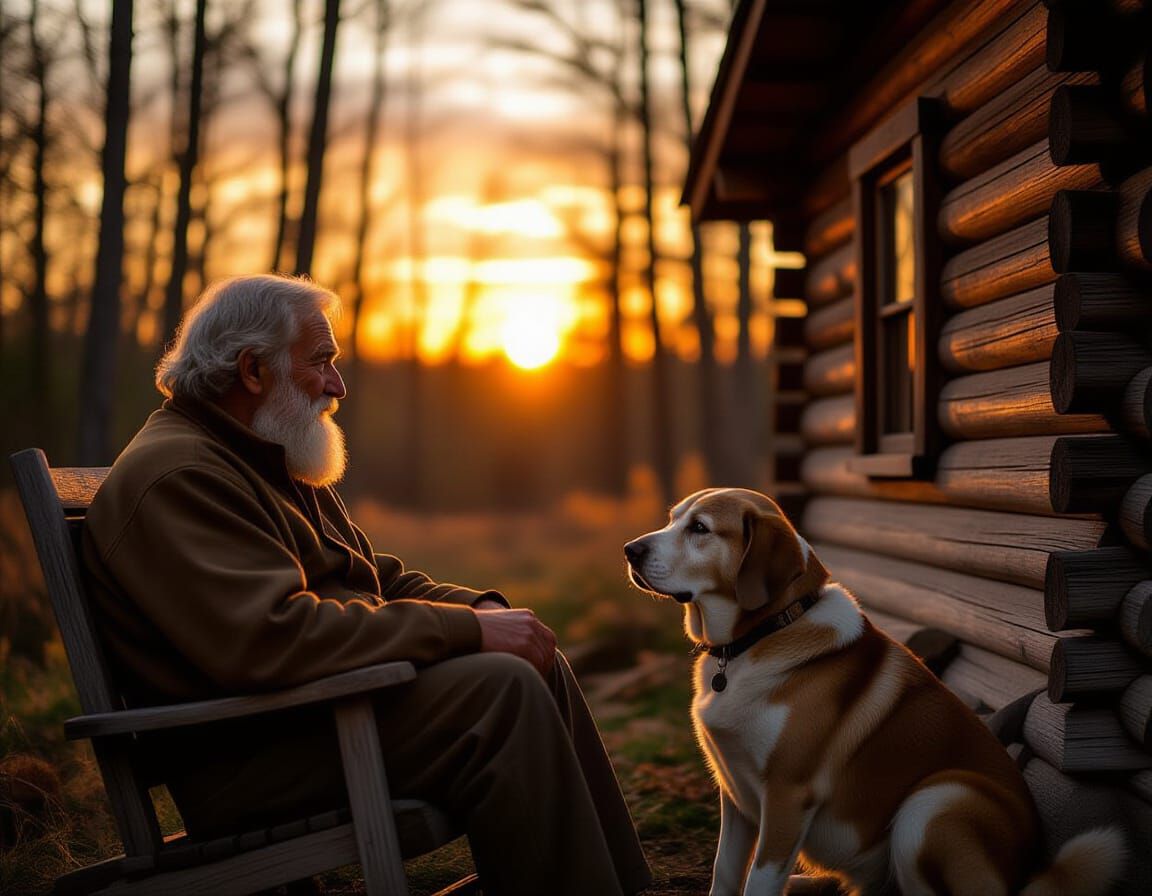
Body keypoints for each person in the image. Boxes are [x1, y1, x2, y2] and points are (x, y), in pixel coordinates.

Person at [81, 273, 652, 896]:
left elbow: (372, 576)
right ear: (252, 370)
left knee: (538, 660)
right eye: (321, 362)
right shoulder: (181, 476)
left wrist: (479, 608)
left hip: (310, 716)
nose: (337, 384)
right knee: (502, 688)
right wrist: (465, 632)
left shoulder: (259, 453)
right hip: (249, 754)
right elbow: (272, 637)